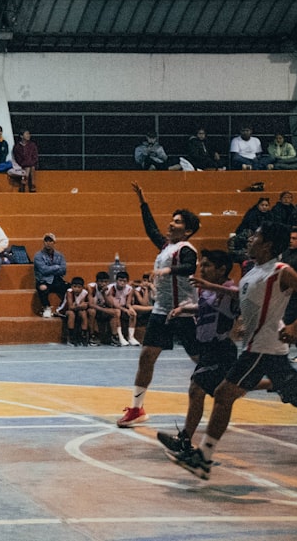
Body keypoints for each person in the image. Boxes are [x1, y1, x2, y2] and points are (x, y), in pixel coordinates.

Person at [168, 222, 297, 480]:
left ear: (268, 244)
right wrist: (212, 288)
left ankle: (203, 458)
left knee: (223, 394)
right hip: (262, 347)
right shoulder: (253, 271)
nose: (250, 239)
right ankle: (203, 457)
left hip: (264, 347)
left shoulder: (281, 271)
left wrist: (295, 325)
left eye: (256, 236)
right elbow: (244, 295)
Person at [117, 182, 200, 428]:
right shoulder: (166, 246)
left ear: (187, 230)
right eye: (172, 220)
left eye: (177, 221)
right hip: (162, 311)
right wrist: (143, 202)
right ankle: (136, 408)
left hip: (184, 311)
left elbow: (189, 267)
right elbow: (150, 228)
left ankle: (227, 390)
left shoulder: (186, 249)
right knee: (146, 357)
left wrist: (167, 269)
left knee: (200, 358)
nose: (171, 223)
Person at [155, 250, 240, 457]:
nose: (201, 269)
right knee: (229, 388)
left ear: (221, 270)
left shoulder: (227, 287)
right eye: (201, 265)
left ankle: (184, 440)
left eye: (207, 265)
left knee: (196, 389)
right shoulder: (206, 291)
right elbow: (204, 309)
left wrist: (212, 286)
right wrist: (184, 310)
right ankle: (274, 383)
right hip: (208, 349)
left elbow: (240, 294)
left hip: (220, 349)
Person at [33, 233, 68, 316]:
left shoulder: (60, 255)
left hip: (56, 279)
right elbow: (43, 270)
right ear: (43, 242)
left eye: (50, 241)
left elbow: (63, 270)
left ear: (54, 242)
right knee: (42, 288)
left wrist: (50, 269)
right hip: (43, 280)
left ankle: (62, 309)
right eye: (46, 241)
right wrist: (56, 267)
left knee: (68, 289)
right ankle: (46, 307)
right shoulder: (38, 256)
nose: (48, 243)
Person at [230, 196, 272, 261]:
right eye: (262, 205)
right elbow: (252, 226)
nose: (264, 207)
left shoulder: (270, 215)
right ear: (258, 206)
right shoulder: (252, 214)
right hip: (247, 234)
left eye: (266, 205)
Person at [106, 271, 140, 346]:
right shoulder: (110, 288)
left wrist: (130, 309)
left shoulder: (129, 289)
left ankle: (131, 337)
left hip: (124, 306)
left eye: (124, 281)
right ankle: (120, 337)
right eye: (120, 280)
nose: (122, 283)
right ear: (116, 280)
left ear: (127, 282)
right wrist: (125, 310)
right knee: (117, 312)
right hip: (113, 307)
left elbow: (128, 303)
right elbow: (114, 304)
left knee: (133, 313)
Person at [89, 271, 122, 346]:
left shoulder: (108, 289)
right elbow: (91, 304)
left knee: (114, 312)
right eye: (101, 281)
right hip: (91, 309)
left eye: (105, 282)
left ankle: (114, 336)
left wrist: (104, 294)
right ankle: (93, 336)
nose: (103, 284)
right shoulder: (91, 287)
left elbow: (110, 304)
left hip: (100, 309)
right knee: (92, 311)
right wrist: (105, 310)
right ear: (96, 282)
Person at [60, 277, 90, 346]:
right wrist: (81, 306)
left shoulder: (85, 293)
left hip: (76, 309)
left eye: (79, 287)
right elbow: (70, 307)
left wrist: (84, 305)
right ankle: (71, 336)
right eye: (74, 286)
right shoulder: (69, 292)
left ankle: (83, 335)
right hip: (65, 310)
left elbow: (85, 304)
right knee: (71, 314)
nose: (76, 289)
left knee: (83, 313)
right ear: (71, 286)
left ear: (82, 287)